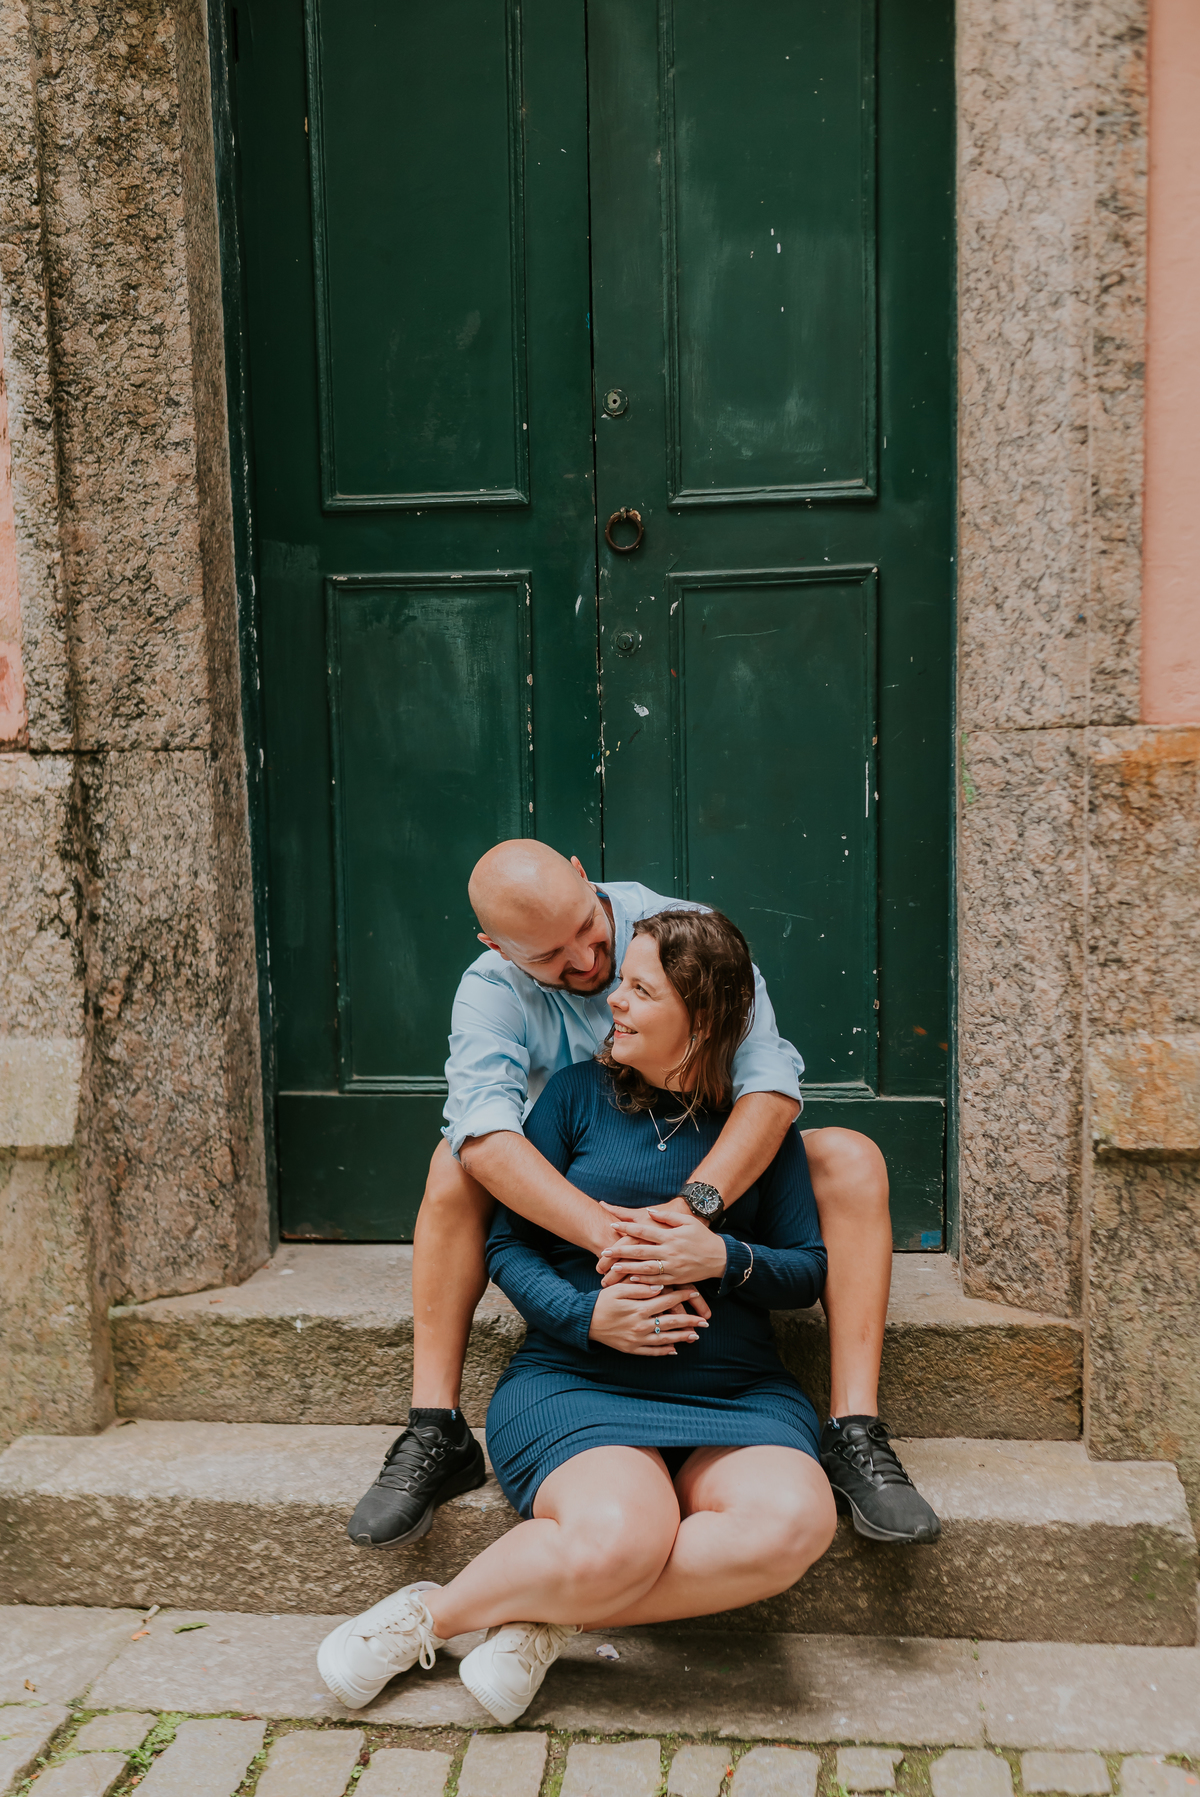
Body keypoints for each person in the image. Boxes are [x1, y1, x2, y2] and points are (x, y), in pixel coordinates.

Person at [320, 909, 838, 1724]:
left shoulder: (757, 1132)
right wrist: (589, 1315)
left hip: (736, 1393)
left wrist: (726, 1259)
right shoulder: (574, 1097)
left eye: (640, 989)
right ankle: (418, 1619)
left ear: (701, 1017)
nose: (614, 1004)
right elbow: (507, 1247)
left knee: (794, 1523)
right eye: (620, 984)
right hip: (579, 1381)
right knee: (623, 1534)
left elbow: (807, 1270)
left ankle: (530, 1615)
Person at [346, 841, 940, 1549]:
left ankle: (853, 1427)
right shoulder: (491, 989)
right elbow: (482, 1128)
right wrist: (614, 1240)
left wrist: (696, 1216)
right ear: (499, 947)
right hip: (574, 1186)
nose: (589, 964)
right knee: (454, 1163)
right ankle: (436, 1425)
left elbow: (769, 1087)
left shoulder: (684, 937)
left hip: (704, 1171)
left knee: (851, 1159)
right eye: (551, 958)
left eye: (588, 933)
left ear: (579, 871)